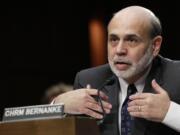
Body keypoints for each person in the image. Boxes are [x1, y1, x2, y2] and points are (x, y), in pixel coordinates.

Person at [53, 6, 180, 135]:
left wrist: (169, 112)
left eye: (131, 40)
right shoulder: (88, 80)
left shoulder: (177, 75)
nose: (119, 50)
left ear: (155, 45)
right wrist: (57, 106)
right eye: (114, 39)